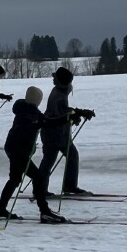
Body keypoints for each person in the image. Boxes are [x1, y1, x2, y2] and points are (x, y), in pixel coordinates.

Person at [0, 87, 66, 223]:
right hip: (18, 151)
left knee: (15, 179)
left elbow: (47, 121)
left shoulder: (32, 111)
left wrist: (68, 118)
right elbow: (27, 126)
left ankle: (0, 208)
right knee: (37, 178)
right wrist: (36, 124)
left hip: (15, 149)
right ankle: (44, 212)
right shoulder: (25, 113)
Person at [38, 67, 96, 197]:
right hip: (52, 134)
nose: (53, 79)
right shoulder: (57, 95)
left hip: (60, 134)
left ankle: (68, 186)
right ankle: (41, 189)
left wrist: (78, 113)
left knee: (71, 156)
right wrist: (77, 114)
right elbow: (60, 113)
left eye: (55, 77)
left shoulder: (60, 92)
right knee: (49, 160)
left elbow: (64, 111)